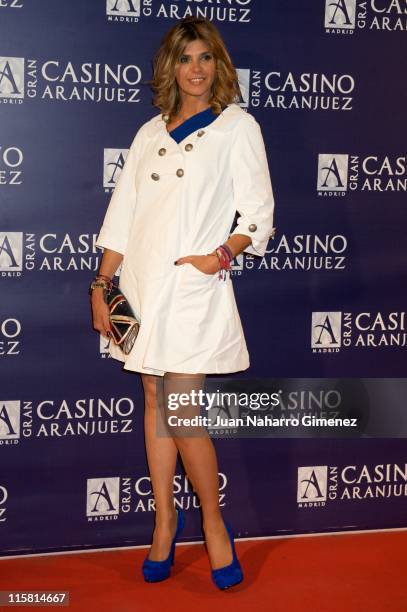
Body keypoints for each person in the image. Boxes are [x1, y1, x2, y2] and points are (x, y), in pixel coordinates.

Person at [90, 16, 275, 590]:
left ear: (218, 66)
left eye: (205, 58)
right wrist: (102, 285)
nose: (196, 68)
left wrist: (220, 256)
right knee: (152, 394)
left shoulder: (237, 127)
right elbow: (123, 212)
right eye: (185, 58)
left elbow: (258, 211)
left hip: (195, 285)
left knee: (182, 409)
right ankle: (164, 522)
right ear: (170, 67)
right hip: (141, 282)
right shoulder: (149, 132)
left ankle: (214, 524)